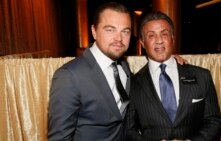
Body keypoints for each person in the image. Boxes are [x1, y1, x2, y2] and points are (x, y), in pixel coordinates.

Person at [48, 2, 186, 141]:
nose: (119, 38)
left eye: (125, 31)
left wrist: (168, 61)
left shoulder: (124, 67)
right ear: (94, 31)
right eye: (110, 29)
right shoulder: (69, 76)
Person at [125, 11, 221, 141]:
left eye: (164, 34)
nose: (159, 40)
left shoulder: (201, 76)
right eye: (151, 36)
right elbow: (128, 131)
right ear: (143, 43)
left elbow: (214, 121)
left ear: (172, 38)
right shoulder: (133, 83)